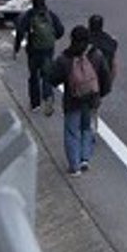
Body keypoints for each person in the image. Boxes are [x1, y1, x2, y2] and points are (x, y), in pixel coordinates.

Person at [47, 26, 107, 176]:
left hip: (72, 100)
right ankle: (85, 158)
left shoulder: (64, 58)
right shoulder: (94, 55)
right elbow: (104, 75)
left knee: (71, 131)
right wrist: (99, 95)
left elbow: (52, 78)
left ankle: (74, 166)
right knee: (86, 128)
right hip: (90, 99)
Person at [13, 0, 65, 115]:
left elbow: (20, 31)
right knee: (47, 75)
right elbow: (60, 31)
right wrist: (52, 38)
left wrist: (16, 48)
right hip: (48, 50)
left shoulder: (29, 15)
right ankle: (47, 97)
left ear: (33, 3)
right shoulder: (50, 15)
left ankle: (35, 104)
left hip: (33, 51)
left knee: (33, 77)